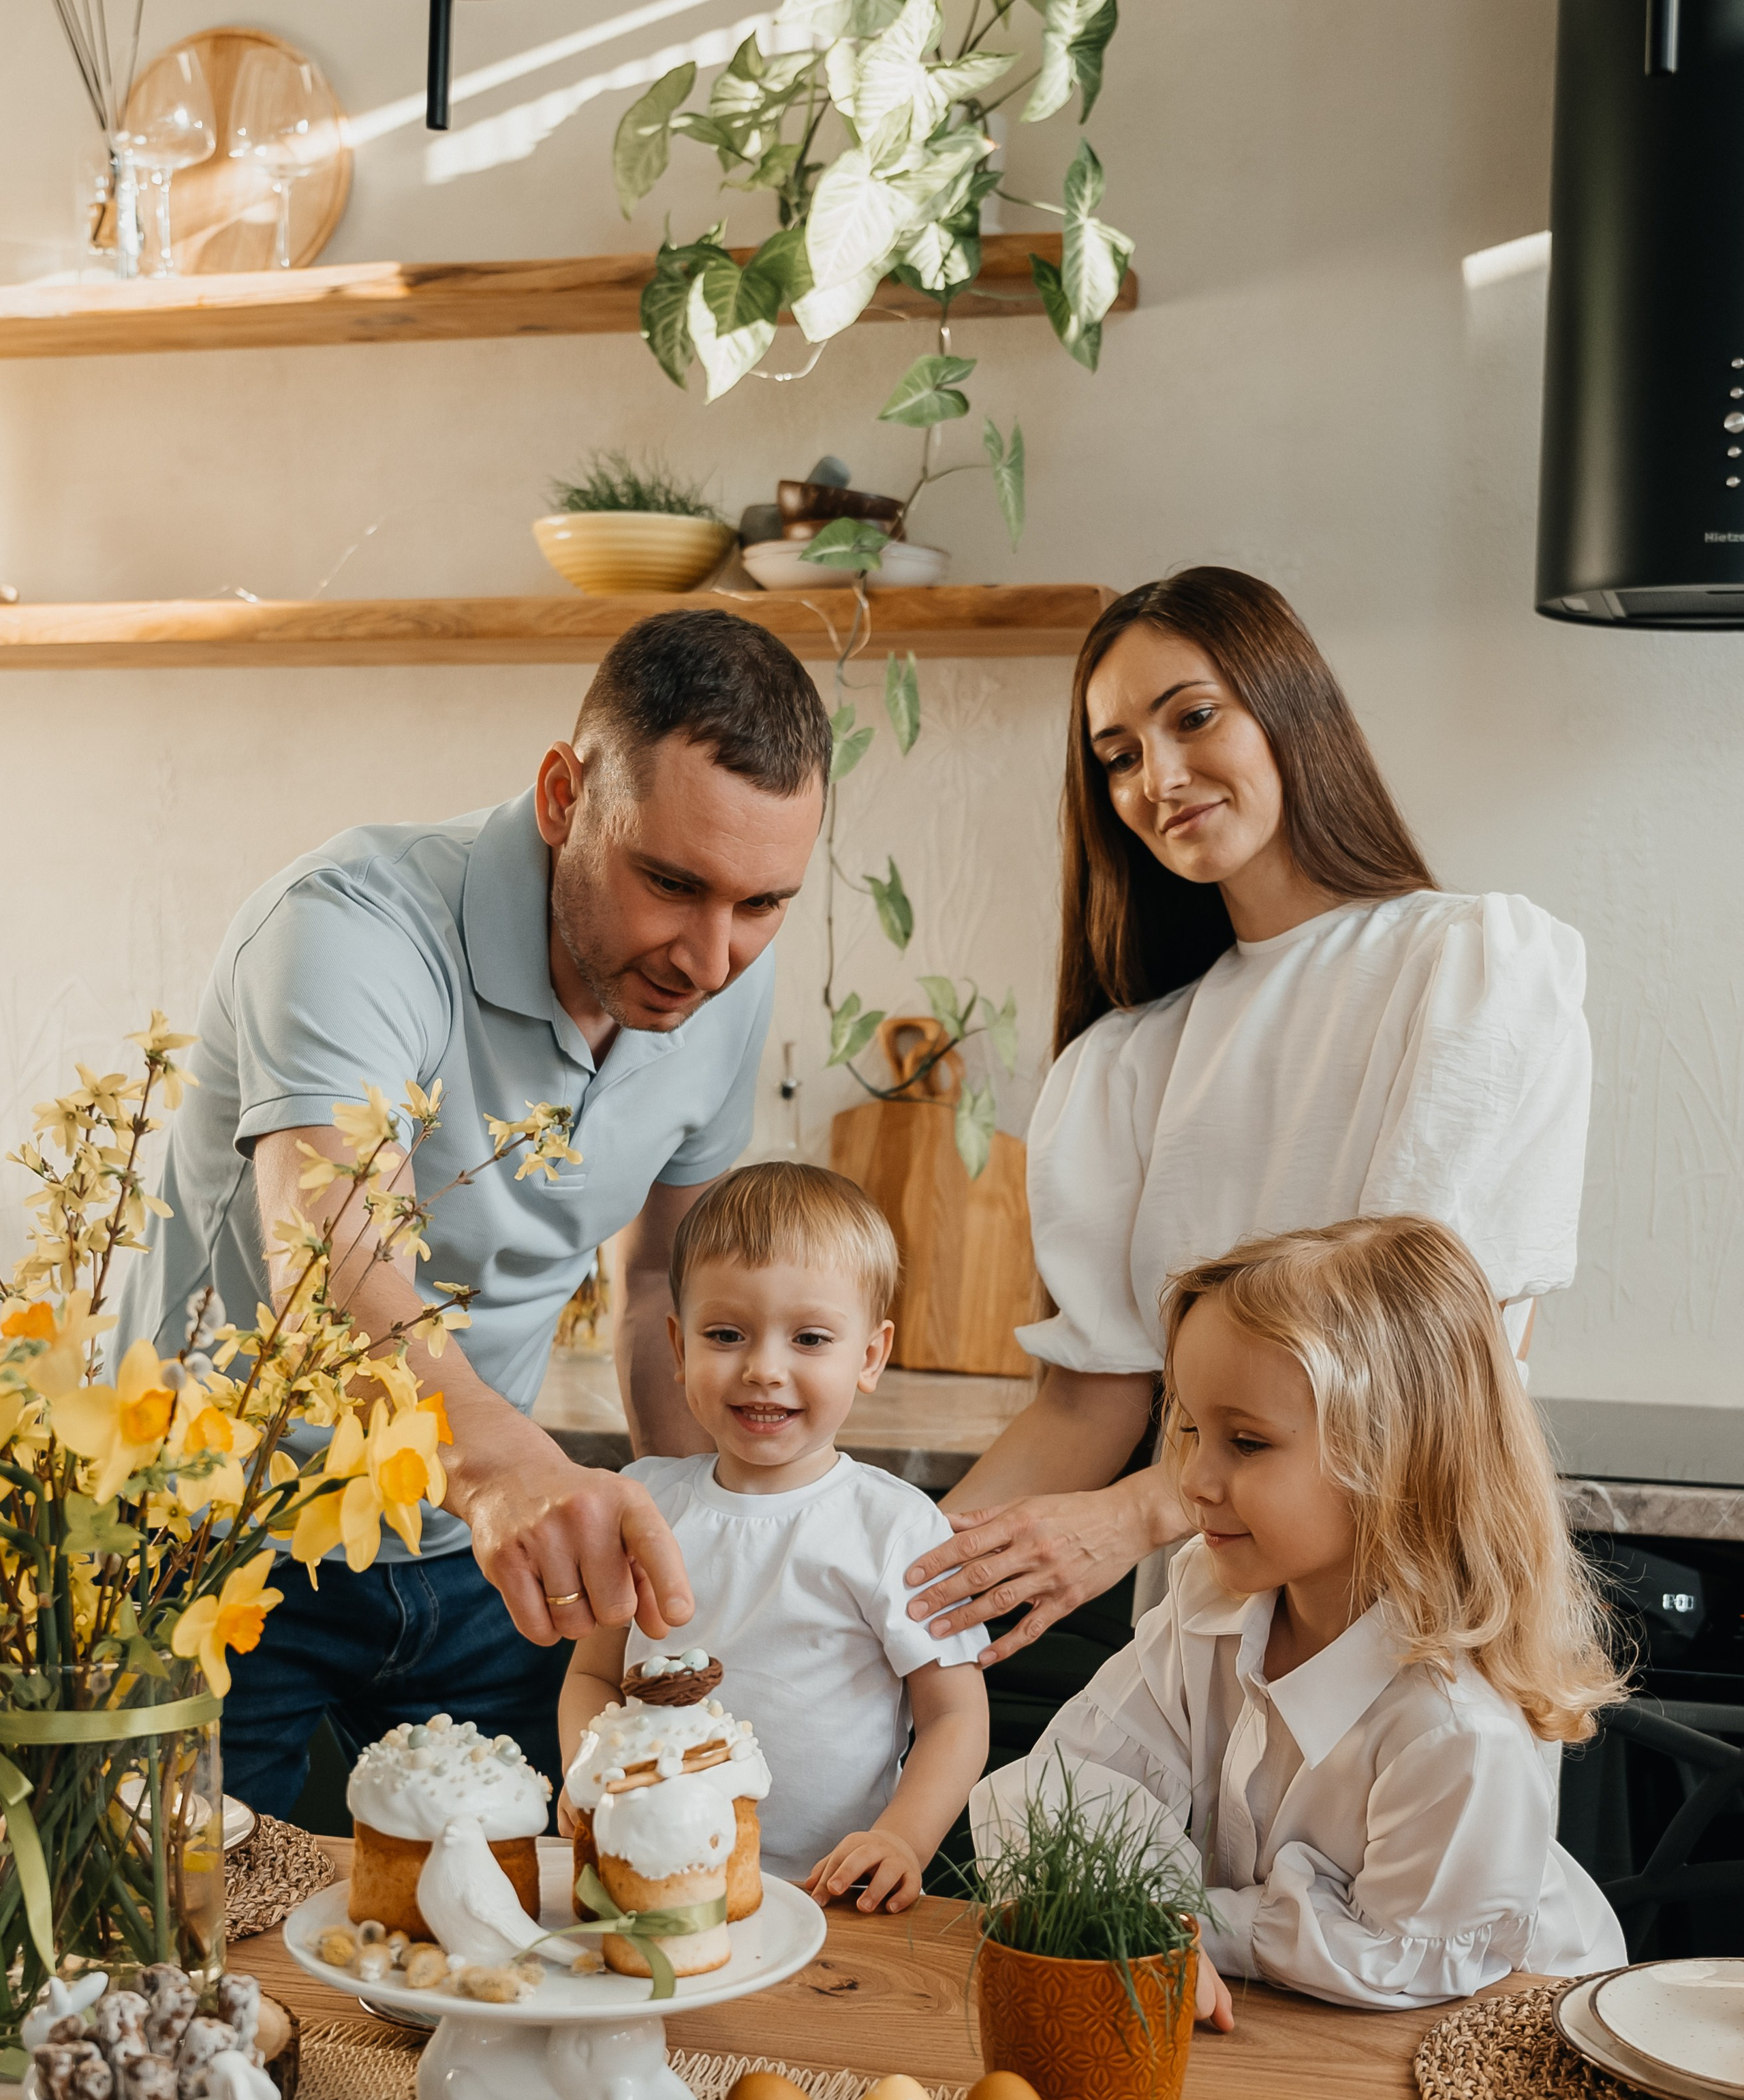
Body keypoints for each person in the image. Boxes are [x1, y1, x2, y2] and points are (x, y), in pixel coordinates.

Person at [115, 611, 834, 1814]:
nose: (711, 959)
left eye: (762, 905)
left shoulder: (713, 989)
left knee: (551, 1908)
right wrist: (503, 1460)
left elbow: (664, 1281)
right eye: (670, 883)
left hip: (471, 1564)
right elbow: (330, 1249)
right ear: (564, 794)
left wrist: (688, 1516)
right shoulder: (348, 925)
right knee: (194, 1944)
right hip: (219, 1539)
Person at [906, 568, 1593, 1686]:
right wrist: (865, 1584)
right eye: (1119, 755)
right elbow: (1086, 1405)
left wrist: (1136, 1514)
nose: (1159, 777)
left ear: (1286, 707)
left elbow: (1413, 1352)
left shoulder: (1471, 970)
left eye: (1192, 716)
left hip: (1427, 1625)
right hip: (1201, 1648)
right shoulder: (1129, 1062)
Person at [972, 1216, 1629, 2016]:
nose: (1196, 1481)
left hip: (1495, 2043)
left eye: (1246, 1442)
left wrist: (1173, 1919)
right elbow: (1063, 1791)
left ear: (1394, 1460)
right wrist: (1149, 1913)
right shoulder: (1208, 1601)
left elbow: (1388, 1959)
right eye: (1188, 1430)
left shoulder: (1453, 1730)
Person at [556, 1163, 988, 1913]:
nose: (763, 1368)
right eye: (726, 1334)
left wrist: (903, 1840)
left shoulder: (895, 1526)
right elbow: (592, 1677)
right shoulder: (644, 1502)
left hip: (826, 1897)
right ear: (679, 1347)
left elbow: (954, 1716)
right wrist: (588, 1774)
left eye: (810, 1338)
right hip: (648, 1880)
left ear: (870, 1356)